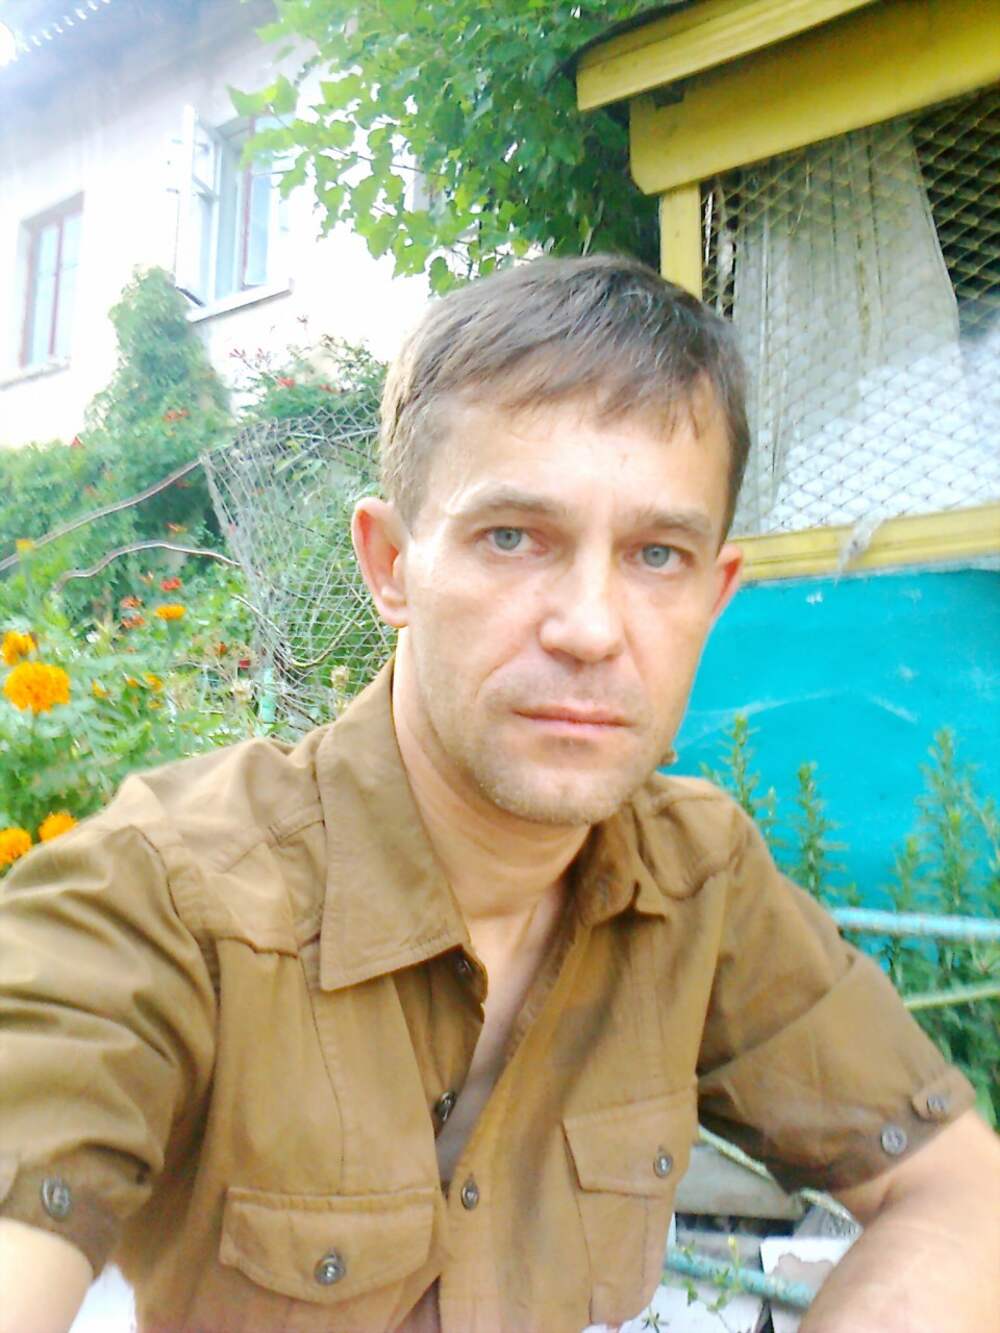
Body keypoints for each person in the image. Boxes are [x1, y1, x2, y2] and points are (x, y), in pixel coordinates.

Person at [1, 256, 997, 1333]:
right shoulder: (163, 895)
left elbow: (956, 1194)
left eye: (656, 554)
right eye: (512, 538)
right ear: (391, 564)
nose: (590, 628)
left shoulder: (697, 879)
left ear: (714, 596)